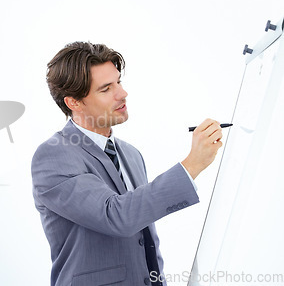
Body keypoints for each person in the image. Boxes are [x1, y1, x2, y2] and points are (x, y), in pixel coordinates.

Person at [31, 41, 223, 286]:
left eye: (118, 82)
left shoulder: (131, 154)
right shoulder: (53, 156)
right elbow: (116, 216)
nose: (122, 93)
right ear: (74, 103)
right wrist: (192, 165)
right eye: (106, 88)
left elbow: (145, 241)